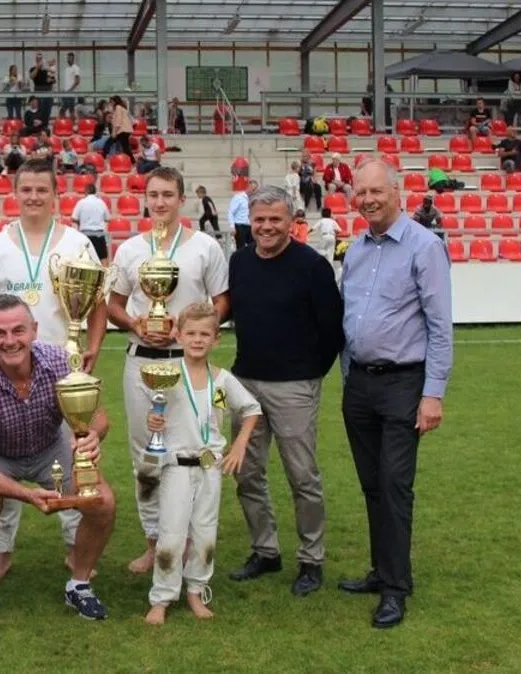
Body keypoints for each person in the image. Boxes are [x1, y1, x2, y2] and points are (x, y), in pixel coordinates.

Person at [0, 157, 106, 582]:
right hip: (7, 369)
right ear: (15, 193)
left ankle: (73, 545)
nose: (33, 197)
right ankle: (2, 551)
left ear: (55, 194)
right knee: (3, 456)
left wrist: (93, 351)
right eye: (25, 189)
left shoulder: (77, 244)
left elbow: (97, 304)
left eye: (41, 190)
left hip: (62, 374)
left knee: (70, 456)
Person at [0, 294, 117, 631]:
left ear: (34, 330)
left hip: (50, 447)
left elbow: (100, 418)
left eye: (18, 330)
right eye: (0, 333)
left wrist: (92, 437)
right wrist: (26, 494)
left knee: (102, 502)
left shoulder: (59, 361)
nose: (10, 341)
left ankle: (80, 584)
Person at [338, 160, 453, 629]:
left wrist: (433, 394)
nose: (367, 199)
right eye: (360, 192)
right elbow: (350, 319)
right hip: (360, 383)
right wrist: (349, 376)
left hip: (405, 383)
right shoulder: (357, 249)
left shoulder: (425, 247)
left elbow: (440, 327)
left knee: (395, 486)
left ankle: (396, 589)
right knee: (371, 485)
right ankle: (380, 569)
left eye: (376, 191)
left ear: (397, 191)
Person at [107, 166, 230, 574]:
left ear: (181, 199)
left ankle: (191, 542)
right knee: (146, 457)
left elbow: (223, 301)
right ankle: (154, 542)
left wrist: (194, 330)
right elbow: (113, 304)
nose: (159, 202)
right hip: (141, 362)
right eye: (153, 195)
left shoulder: (205, 248)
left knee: (192, 454)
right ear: (146, 198)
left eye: (167, 195)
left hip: (189, 365)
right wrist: (136, 324)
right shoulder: (130, 250)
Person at [225, 186, 344, 595]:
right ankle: (266, 550)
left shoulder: (312, 266)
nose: (267, 227)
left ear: (291, 220)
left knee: (302, 477)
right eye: (259, 219)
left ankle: (311, 560)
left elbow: (332, 329)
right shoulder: (239, 262)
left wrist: (310, 374)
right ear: (250, 221)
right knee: (247, 474)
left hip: (294, 386)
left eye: (275, 219)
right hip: (245, 385)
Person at [143, 302, 260, 625]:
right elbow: (157, 414)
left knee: (205, 532)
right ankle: (162, 597)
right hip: (176, 467)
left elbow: (251, 409)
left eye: (204, 334)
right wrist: (154, 422)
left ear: (215, 339)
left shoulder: (221, 380)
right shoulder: (166, 376)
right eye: (191, 333)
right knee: (171, 534)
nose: (197, 340)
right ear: (178, 335)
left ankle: (196, 590)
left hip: (210, 467)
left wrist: (238, 446)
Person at [71, 183, 111, 266]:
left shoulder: (81, 202)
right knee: (103, 260)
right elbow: (108, 218)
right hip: (99, 234)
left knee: (83, 261)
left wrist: (81, 221)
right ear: (95, 191)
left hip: (85, 235)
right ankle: (107, 278)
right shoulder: (101, 202)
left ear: (86, 191)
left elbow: (73, 218)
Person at [227, 180, 257, 249]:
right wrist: (232, 226)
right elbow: (231, 212)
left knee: (252, 246)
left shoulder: (252, 199)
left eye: (255, 189)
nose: (254, 191)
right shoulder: (238, 197)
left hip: (250, 226)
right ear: (248, 187)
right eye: (253, 189)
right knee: (241, 247)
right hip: (240, 226)